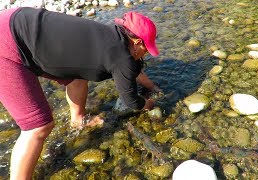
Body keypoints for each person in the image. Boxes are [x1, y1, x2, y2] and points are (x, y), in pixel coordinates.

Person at [0, 7, 162, 179]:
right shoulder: (122, 59)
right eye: (147, 48)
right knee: (39, 126)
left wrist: (152, 87)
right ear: (137, 43)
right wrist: (148, 104)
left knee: (78, 77)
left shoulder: (110, 34)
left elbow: (131, 69)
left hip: (20, 21)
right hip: (8, 44)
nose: (147, 53)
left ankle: (78, 120)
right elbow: (131, 101)